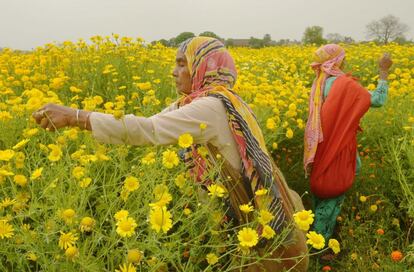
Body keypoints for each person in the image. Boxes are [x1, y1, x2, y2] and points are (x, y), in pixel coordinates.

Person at [33, 37, 308, 271]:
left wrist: (76, 117)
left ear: (202, 67)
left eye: (181, 64)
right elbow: (149, 122)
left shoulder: (210, 106)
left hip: (247, 219)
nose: (173, 72)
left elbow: (148, 130)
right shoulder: (208, 100)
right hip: (236, 213)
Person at [303, 44, 392, 258]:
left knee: (321, 190)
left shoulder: (319, 82)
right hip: (338, 146)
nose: (346, 61)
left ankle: (317, 235)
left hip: (319, 146)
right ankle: (319, 247)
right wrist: (384, 72)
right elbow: (378, 100)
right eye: (344, 58)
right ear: (338, 61)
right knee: (333, 191)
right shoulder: (344, 84)